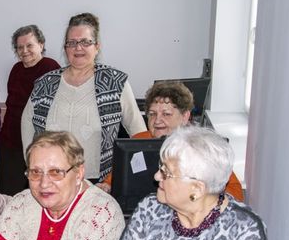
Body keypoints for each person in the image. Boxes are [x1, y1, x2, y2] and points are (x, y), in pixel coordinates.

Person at [21, 12, 146, 187]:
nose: (78, 48)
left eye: (85, 42)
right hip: (49, 181)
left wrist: (112, 180)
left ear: (97, 46)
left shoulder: (115, 83)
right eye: (72, 43)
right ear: (65, 49)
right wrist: (34, 168)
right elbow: (27, 125)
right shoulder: (45, 84)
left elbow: (140, 136)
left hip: (98, 184)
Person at [117, 126, 266, 240]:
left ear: (197, 189)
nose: (156, 176)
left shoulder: (244, 228)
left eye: (166, 172)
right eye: (160, 167)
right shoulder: (149, 210)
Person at [102, 81, 244, 201]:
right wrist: (105, 186)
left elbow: (235, 193)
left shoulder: (203, 148)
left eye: (166, 114)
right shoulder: (137, 141)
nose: (157, 120)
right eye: (152, 114)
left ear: (185, 116)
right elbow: (114, 180)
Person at [0, 25, 60, 196]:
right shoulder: (16, 69)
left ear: (41, 44)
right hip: (11, 143)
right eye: (20, 47)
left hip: (37, 144)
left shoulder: (50, 68)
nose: (24, 51)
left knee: (36, 194)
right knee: (9, 195)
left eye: (29, 45)